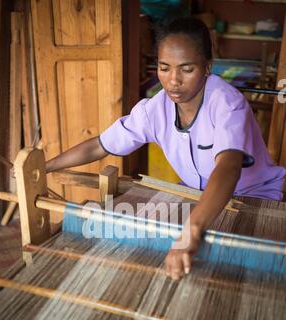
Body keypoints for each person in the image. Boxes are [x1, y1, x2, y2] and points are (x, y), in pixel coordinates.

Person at [46, 17, 286, 281]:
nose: (173, 80)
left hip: (254, 199)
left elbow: (228, 168)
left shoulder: (227, 104)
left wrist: (190, 233)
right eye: (164, 67)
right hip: (194, 195)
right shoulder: (154, 109)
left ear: (207, 67)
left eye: (187, 69)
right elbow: (100, 145)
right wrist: (45, 166)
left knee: (236, 273)